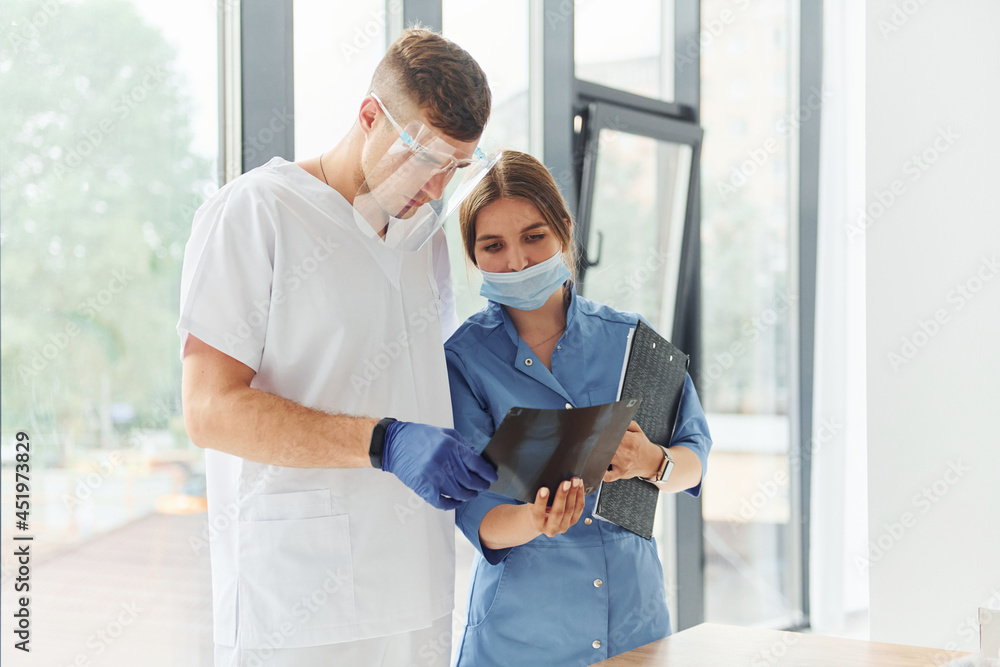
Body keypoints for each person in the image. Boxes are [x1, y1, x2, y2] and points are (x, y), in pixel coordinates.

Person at [178, 28, 499, 667]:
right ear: (369, 116)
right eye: (426, 158)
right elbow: (209, 410)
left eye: (454, 169)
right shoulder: (257, 211)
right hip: (295, 601)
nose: (438, 189)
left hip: (416, 589)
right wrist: (384, 441)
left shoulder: (422, 239)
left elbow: (420, 386)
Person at [444, 150, 713, 666]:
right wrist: (534, 519)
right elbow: (477, 517)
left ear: (564, 230)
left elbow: (694, 459)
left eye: (533, 236)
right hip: (520, 637)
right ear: (473, 257)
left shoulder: (631, 340)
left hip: (634, 624)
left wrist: (653, 462)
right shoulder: (463, 362)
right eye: (493, 246)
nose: (517, 261)